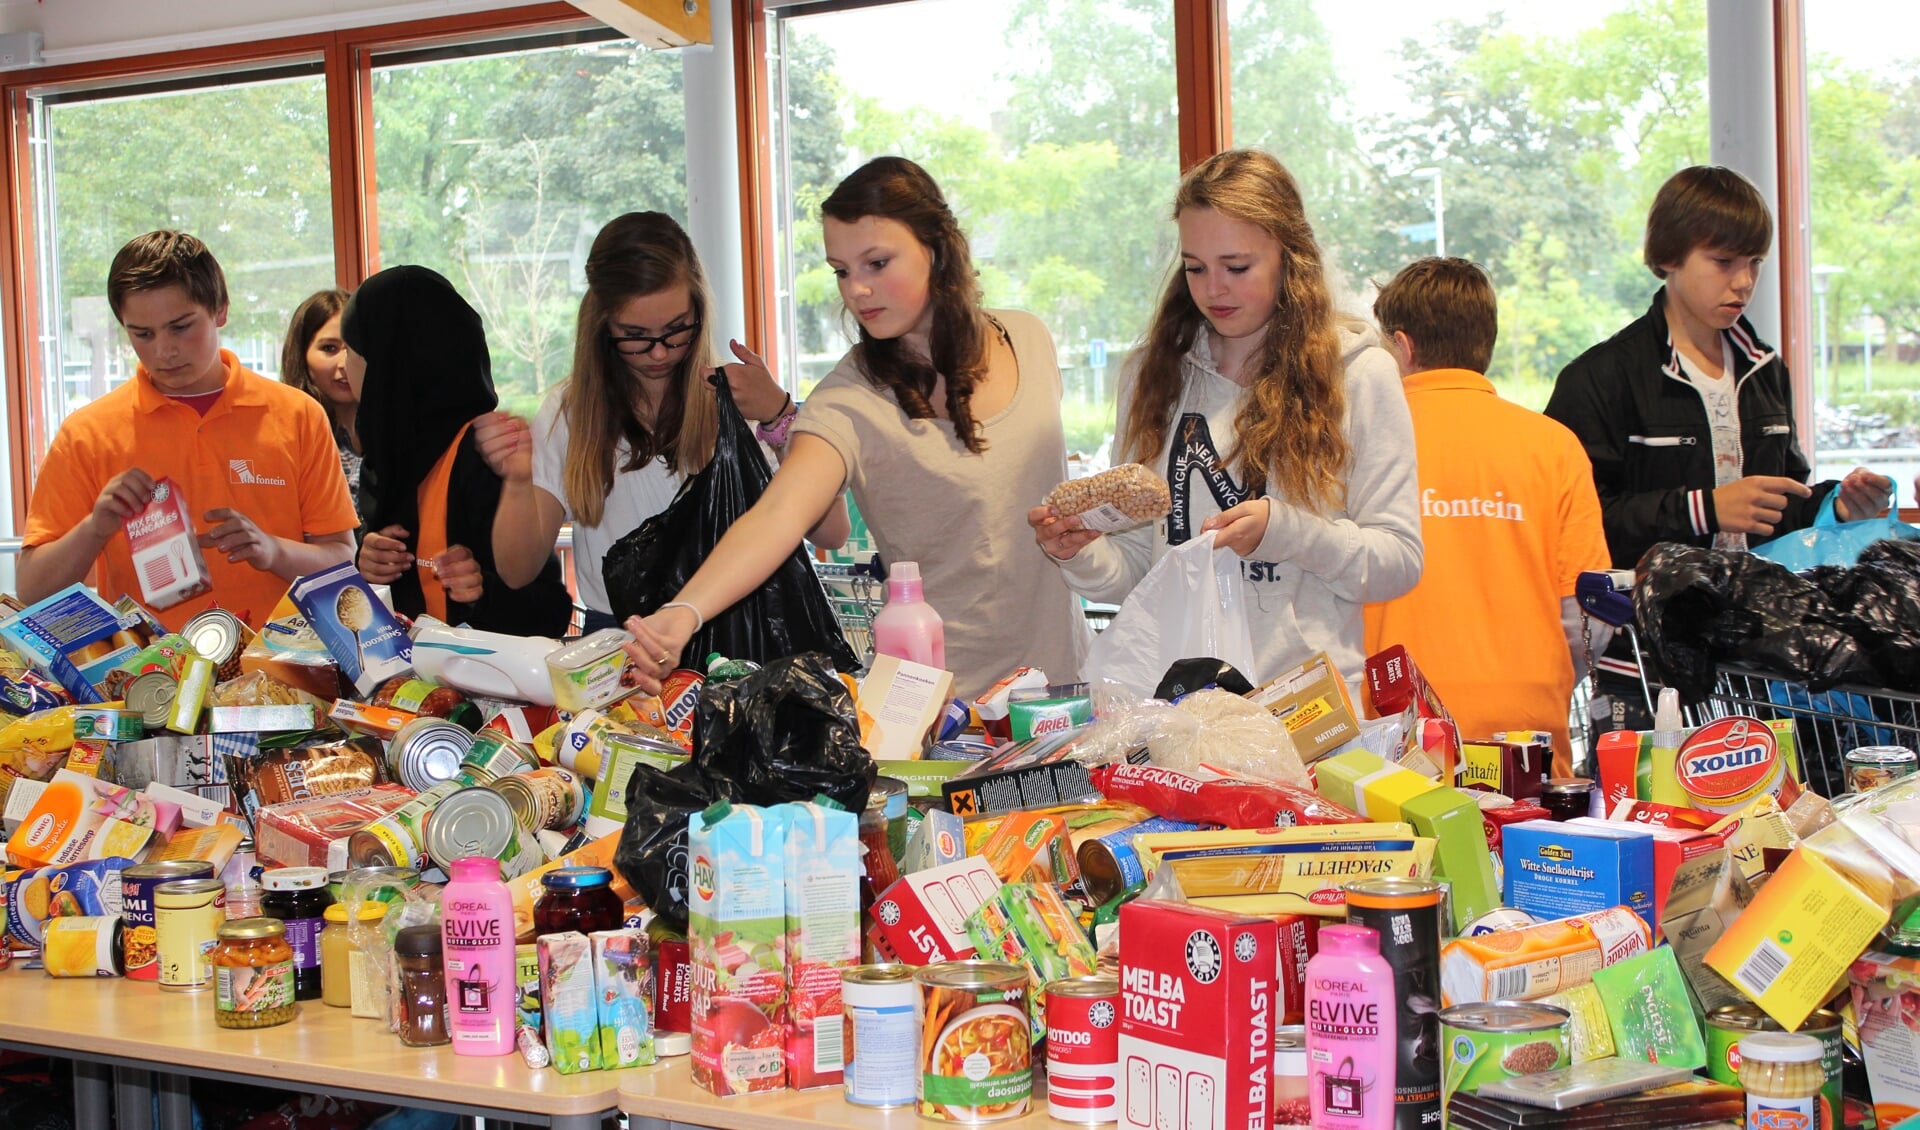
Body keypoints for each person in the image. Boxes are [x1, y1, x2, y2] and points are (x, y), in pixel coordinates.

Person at [620, 156, 1092, 700]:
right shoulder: (849, 400)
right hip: (943, 714)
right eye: (842, 270)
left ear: (936, 249)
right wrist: (683, 614)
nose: (857, 290)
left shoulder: (1029, 339)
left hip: (1066, 685)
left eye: (876, 262)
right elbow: (779, 513)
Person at [1030, 148, 1421, 689]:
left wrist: (1284, 531)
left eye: (1237, 267)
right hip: (1177, 703)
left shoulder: (1358, 374)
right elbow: (1144, 569)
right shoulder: (1152, 374)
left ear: (1291, 256)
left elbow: (1398, 560)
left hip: (1306, 705)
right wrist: (1080, 552)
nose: (1213, 289)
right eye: (1195, 267)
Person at [1545, 165, 1891, 727]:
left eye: (1755, 262)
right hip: (1643, 656)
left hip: (1758, 661)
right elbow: (1576, 526)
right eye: (1724, 262)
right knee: (1654, 809)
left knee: (1764, 813)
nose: (1744, 282)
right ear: (1668, 258)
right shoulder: (1600, 378)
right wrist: (1704, 507)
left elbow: (1781, 503)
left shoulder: (1765, 369)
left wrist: (1837, 506)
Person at [474, 211, 848, 634]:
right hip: (619, 647)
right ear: (601, 326)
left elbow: (831, 533)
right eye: (635, 335)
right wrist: (519, 481)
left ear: (699, 312)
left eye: (676, 330)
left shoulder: (738, 393)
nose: (659, 353)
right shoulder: (569, 411)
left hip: (742, 637)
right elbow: (517, 572)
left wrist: (780, 415)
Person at [19, 231, 358, 631]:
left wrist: (272, 551)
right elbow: (32, 590)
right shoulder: (87, 433)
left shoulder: (297, 415)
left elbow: (340, 560)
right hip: (150, 676)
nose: (164, 350)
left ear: (221, 310)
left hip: (278, 674)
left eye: (180, 327)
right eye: (141, 334)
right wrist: (95, 528)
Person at [1362, 257, 1610, 771]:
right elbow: (1587, 615)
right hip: (1526, 733)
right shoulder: (1554, 446)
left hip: (1398, 730)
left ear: (1401, 347)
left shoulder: (1360, 439)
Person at [345, 265, 573, 637]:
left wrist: (482, 591)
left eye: (353, 351)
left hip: (493, 685)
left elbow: (549, 611)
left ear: (389, 366)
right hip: (405, 686)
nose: (343, 366)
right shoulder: (386, 458)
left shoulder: (488, 454)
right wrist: (367, 562)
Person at [279, 288, 359, 504]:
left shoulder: (391, 431)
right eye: (329, 348)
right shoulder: (289, 436)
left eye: (355, 349)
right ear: (301, 354)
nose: (344, 364)